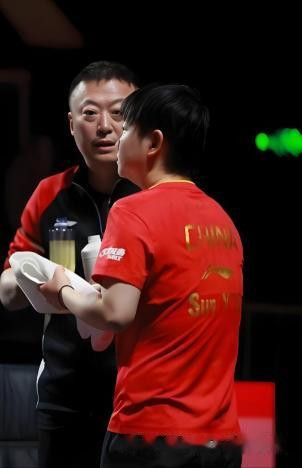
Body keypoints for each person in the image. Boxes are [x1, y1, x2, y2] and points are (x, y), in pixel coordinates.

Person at [38, 84, 243, 467]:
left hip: (151, 437)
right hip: (221, 440)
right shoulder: (223, 221)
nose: (116, 135)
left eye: (127, 126)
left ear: (154, 142)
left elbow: (114, 313)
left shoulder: (133, 211)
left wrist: (63, 290)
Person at [0, 61, 138, 467]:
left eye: (119, 112)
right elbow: (6, 291)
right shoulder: (49, 194)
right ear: (71, 123)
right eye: (90, 113)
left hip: (139, 396)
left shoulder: (154, 197)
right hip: (64, 394)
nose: (105, 127)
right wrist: (36, 278)